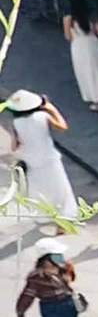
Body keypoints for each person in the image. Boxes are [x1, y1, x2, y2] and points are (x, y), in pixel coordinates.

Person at [3, 88, 76, 229]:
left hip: (31, 162)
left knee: (39, 190)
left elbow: (15, 146)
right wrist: (52, 109)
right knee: (60, 189)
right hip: (49, 158)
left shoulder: (16, 123)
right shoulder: (43, 116)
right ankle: (65, 218)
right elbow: (62, 126)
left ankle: (44, 216)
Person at [17, 249, 79, 317]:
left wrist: (20, 311)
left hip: (62, 305)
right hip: (56, 305)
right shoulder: (38, 276)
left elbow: (28, 295)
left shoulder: (63, 268)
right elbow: (28, 295)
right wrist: (21, 311)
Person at [62, 7, 98, 114]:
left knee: (86, 74)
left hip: (79, 47)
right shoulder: (92, 15)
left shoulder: (68, 18)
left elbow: (68, 36)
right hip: (93, 44)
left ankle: (96, 100)